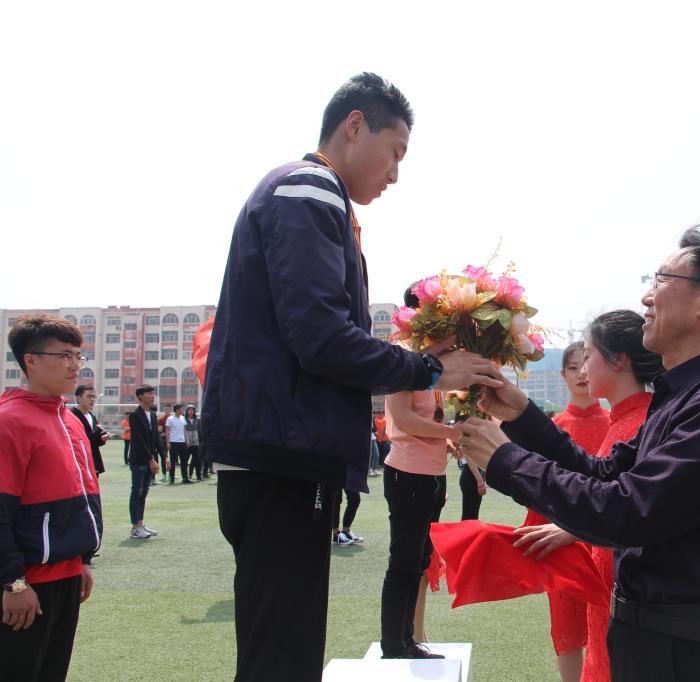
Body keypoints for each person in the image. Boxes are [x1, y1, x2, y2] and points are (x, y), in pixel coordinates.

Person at [200, 72, 503, 681]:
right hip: (282, 455)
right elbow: (320, 338)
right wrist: (427, 368)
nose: (395, 174)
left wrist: (423, 354)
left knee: (281, 650)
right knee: (282, 657)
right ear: (355, 125)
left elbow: (320, 334)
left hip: (282, 450)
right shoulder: (310, 188)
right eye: (396, 152)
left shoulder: (312, 193)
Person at [458, 228, 700, 681]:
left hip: (687, 652)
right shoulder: (685, 393)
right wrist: (523, 416)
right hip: (650, 640)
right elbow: (603, 473)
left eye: (661, 280)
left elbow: (627, 510)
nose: (646, 297)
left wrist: (505, 460)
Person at [0, 315, 102, 681]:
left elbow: (86, 496)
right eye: (64, 356)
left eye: (78, 356)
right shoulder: (9, 421)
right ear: (31, 360)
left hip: (68, 575)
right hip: (26, 582)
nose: (75, 365)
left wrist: (83, 560)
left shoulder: (71, 420)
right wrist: (13, 582)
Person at [515, 340, 611, 682]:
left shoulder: (616, 423)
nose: (582, 373)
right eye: (573, 367)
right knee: (567, 627)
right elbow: (541, 492)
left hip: (606, 542)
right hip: (561, 544)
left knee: (607, 626)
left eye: (587, 363)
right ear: (562, 375)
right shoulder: (553, 428)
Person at [381, 382, 454, 659]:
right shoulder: (405, 365)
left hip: (431, 473)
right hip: (408, 471)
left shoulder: (433, 372)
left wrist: (448, 440)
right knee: (404, 562)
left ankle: (406, 640)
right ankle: (394, 646)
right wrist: (451, 432)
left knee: (419, 561)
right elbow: (404, 420)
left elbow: (425, 418)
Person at [128, 386, 161, 539]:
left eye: (153, 393)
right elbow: (139, 440)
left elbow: (155, 438)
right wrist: (151, 459)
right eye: (149, 393)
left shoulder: (152, 415)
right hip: (139, 460)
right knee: (137, 492)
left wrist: (164, 456)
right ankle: (135, 527)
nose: (152, 396)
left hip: (149, 460)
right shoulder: (135, 415)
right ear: (140, 396)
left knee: (144, 493)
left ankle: (140, 524)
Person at [70, 384, 108, 476]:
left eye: (94, 396)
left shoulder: (92, 416)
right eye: (89, 396)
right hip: (79, 463)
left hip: (94, 462)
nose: (92, 399)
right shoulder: (72, 416)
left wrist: (102, 439)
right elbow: (80, 441)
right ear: (78, 398)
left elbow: (94, 442)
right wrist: (97, 429)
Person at [165, 404, 190, 484]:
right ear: (177, 410)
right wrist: (168, 442)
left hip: (182, 442)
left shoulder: (183, 418)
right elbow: (167, 431)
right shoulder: (170, 419)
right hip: (173, 442)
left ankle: (185, 478)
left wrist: (187, 440)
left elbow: (184, 430)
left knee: (184, 461)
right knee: (173, 461)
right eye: (181, 409)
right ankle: (172, 478)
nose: (183, 410)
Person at [184, 406, 204, 481]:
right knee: (185, 460)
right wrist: (185, 441)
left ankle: (199, 476)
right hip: (187, 443)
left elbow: (200, 430)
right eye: (189, 410)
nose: (191, 411)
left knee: (197, 460)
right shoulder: (184, 420)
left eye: (192, 410)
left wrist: (199, 440)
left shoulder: (197, 420)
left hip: (196, 443)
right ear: (187, 411)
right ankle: (186, 476)